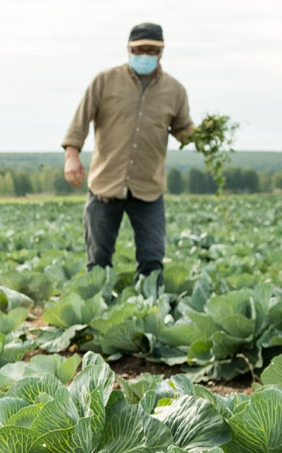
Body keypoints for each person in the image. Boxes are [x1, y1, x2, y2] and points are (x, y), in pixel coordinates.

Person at [62, 22, 195, 282]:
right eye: (139, 49)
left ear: (161, 52)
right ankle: (98, 313)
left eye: (151, 50)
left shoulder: (175, 90)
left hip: (148, 186)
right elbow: (80, 120)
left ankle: (149, 314)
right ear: (128, 49)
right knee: (98, 261)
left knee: (152, 260)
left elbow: (182, 128)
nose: (144, 55)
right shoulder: (104, 81)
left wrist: (198, 133)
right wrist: (71, 156)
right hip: (105, 184)